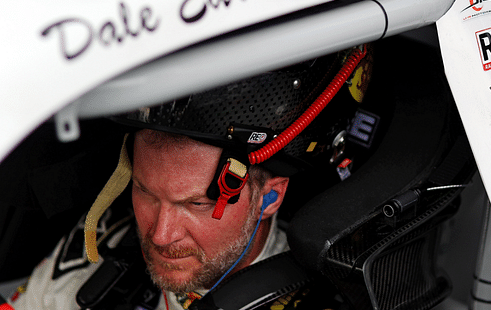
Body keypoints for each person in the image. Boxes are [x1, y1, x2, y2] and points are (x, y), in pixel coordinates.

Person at [7, 45, 372, 310]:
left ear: (269, 199)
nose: (160, 234)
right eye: (146, 192)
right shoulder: (101, 245)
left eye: (196, 203)